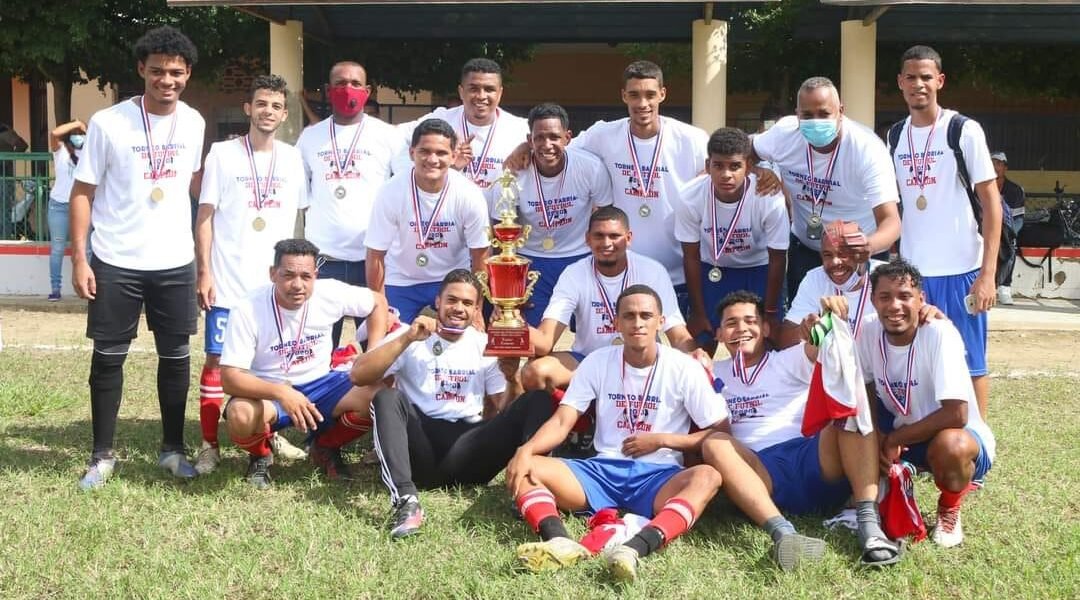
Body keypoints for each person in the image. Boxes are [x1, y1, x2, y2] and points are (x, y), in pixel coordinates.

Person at [506, 284, 729, 581]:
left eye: (646, 316)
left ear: (660, 322)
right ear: (616, 323)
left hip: (659, 477)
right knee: (528, 466)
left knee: (708, 477)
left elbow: (720, 431)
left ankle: (634, 548)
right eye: (629, 316)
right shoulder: (598, 361)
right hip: (601, 471)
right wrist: (527, 449)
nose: (638, 323)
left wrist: (663, 440)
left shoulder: (684, 367)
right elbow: (562, 422)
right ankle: (558, 540)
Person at [69, 26, 206, 490]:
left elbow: (195, 186)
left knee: (176, 358)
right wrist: (80, 259)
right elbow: (83, 192)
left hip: (175, 260)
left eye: (176, 72)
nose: (167, 80)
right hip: (116, 259)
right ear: (141, 70)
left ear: (187, 74)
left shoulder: (194, 122)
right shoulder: (109, 122)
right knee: (108, 359)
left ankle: (173, 450)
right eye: (157, 71)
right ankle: (101, 457)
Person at [701, 291, 901, 569]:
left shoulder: (787, 359)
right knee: (714, 442)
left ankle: (869, 525)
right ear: (719, 334)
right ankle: (784, 534)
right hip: (758, 471)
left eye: (750, 321)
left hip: (812, 458)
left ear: (766, 328)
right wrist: (693, 358)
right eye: (731, 323)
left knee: (847, 403)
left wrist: (827, 321)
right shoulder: (709, 371)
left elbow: (819, 346)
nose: (741, 329)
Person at [351, 269, 552, 538]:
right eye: (452, 300)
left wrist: (511, 378)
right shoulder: (411, 335)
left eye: (467, 303)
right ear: (438, 301)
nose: (458, 308)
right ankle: (406, 500)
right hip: (420, 451)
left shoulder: (484, 344)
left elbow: (506, 411)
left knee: (538, 398)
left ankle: (528, 488)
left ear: (477, 309)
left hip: (468, 452)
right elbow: (358, 375)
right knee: (386, 397)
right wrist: (405, 339)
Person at [192, 74, 309, 475]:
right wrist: (205, 272)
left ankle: (267, 433)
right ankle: (209, 445)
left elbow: (298, 221)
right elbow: (205, 216)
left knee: (271, 364)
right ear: (248, 108)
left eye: (276, 106)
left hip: (273, 286)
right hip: (229, 281)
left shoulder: (292, 158)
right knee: (216, 360)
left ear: (284, 113)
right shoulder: (222, 154)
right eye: (261, 104)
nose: (268, 111)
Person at [219, 239, 389, 488]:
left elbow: (378, 302)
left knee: (380, 397)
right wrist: (282, 392)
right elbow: (230, 378)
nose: (298, 285)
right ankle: (261, 455)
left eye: (306, 276)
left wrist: (371, 352)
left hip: (322, 384)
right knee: (240, 414)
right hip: (270, 391)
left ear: (315, 276)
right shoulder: (247, 308)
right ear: (273, 274)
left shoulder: (329, 292)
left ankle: (325, 447)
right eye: (288, 275)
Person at [890, 45, 1002, 420]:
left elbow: (992, 204)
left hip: (960, 270)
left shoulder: (962, 130)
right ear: (900, 82)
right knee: (920, 364)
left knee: (970, 363)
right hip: (914, 275)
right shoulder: (894, 136)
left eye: (926, 77)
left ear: (940, 81)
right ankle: (930, 440)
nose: (918, 84)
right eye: (911, 77)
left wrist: (987, 275)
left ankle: (979, 442)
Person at [856, 259, 995, 548]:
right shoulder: (868, 331)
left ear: (921, 299)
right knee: (853, 430)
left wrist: (894, 439)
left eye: (905, 296)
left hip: (956, 435)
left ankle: (949, 507)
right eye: (885, 297)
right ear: (873, 300)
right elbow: (866, 385)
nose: (894, 306)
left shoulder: (938, 332)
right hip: (906, 433)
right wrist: (877, 435)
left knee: (952, 447)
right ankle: (881, 486)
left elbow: (957, 414)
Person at [750, 76, 901, 300]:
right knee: (806, 317)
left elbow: (891, 221)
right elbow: (740, 152)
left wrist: (868, 246)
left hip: (859, 254)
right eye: (807, 115)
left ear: (841, 111)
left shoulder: (867, 149)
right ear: (797, 114)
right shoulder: (784, 135)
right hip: (806, 251)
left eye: (823, 113)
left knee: (863, 318)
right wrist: (759, 170)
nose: (815, 121)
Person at [520, 206, 696, 394]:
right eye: (599, 236)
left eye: (614, 236)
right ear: (587, 239)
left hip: (641, 362)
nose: (606, 243)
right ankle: (575, 410)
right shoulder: (574, 274)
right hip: (588, 362)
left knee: (695, 367)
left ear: (628, 238)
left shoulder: (652, 271)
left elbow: (677, 334)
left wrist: (694, 355)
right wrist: (512, 320)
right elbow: (545, 341)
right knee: (534, 373)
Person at [296, 61, 405, 347]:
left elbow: (405, 190)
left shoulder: (388, 135)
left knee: (375, 347)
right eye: (340, 83)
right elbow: (300, 194)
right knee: (318, 347)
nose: (348, 89)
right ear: (328, 90)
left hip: (372, 260)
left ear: (367, 91)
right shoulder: (310, 136)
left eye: (355, 83)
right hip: (324, 259)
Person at [492, 102, 613, 326]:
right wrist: (508, 284)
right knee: (527, 333)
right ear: (529, 140)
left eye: (554, 137)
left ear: (567, 137)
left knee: (595, 330)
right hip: (531, 262)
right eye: (539, 138)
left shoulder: (591, 167)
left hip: (580, 257)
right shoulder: (512, 174)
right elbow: (501, 234)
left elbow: (606, 218)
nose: (547, 145)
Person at [365, 118, 490, 324]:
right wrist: (380, 307)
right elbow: (375, 254)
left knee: (463, 338)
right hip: (401, 280)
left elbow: (480, 254)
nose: (432, 160)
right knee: (387, 336)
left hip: (452, 279)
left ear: (454, 156)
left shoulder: (469, 193)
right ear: (411, 153)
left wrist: (477, 311)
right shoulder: (390, 191)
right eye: (425, 151)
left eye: (441, 153)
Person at [675, 127, 787, 350]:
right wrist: (698, 311)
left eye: (735, 166)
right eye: (718, 166)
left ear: (748, 166)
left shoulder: (768, 197)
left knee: (764, 339)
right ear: (708, 165)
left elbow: (778, 258)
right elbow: (690, 256)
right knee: (702, 339)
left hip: (759, 269)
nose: (726, 174)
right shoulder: (690, 196)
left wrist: (771, 312)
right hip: (712, 269)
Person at [395, 58, 529, 191]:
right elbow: (396, 138)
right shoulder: (440, 120)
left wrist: (529, 146)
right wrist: (419, 176)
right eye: (473, 89)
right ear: (461, 91)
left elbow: (540, 146)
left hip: (501, 205)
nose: (481, 96)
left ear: (500, 93)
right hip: (448, 205)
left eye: (489, 89)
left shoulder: (520, 128)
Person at [779, 220, 885, 348]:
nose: (835, 262)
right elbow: (783, 340)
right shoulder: (815, 279)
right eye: (828, 255)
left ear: (861, 254)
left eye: (843, 254)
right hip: (832, 360)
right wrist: (802, 331)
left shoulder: (886, 278)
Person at [46, 119, 86, 301]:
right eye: (75, 134)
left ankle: (88, 287)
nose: (78, 137)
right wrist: (77, 123)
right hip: (59, 205)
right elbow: (54, 133)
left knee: (87, 249)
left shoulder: (88, 151)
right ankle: (55, 289)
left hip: (81, 204)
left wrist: (85, 128)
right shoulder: (60, 150)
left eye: (81, 134)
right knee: (57, 249)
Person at [992, 151, 1024, 305]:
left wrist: (1010, 233)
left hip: (1006, 231)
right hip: (984, 230)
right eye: (992, 164)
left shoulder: (1015, 190)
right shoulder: (979, 187)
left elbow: (1019, 219)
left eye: (999, 164)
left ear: (1005, 168)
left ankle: (1004, 288)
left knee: (1010, 248)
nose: (995, 167)